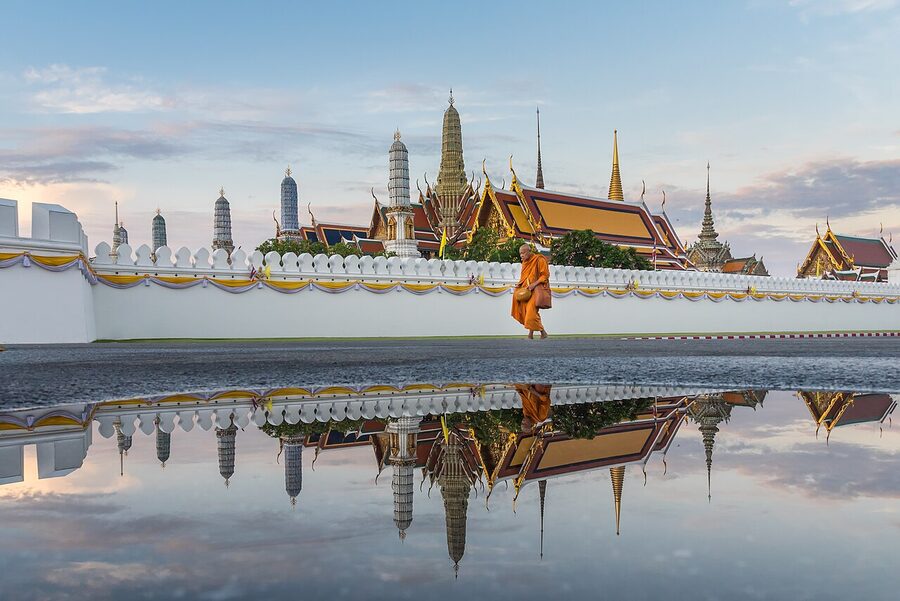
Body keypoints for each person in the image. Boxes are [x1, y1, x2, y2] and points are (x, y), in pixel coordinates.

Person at [511, 244, 550, 339]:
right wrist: (519, 284)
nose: (521, 255)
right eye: (520, 254)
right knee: (526, 311)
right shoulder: (524, 263)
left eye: (523, 253)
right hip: (527, 290)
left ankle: (540, 332)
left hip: (536, 289)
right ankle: (537, 334)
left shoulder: (539, 259)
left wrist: (534, 284)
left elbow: (545, 275)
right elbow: (524, 277)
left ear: (529, 251)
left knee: (531, 311)